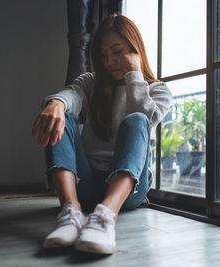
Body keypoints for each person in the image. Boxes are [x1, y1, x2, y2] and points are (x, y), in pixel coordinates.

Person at [31, 14, 172, 254]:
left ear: (134, 49)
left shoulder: (158, 90)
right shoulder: (91, 83)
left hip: (129, 192)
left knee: (137, 120)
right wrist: (57, 103)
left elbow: (145, 121)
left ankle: (106, 217)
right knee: (61, 115)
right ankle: (71, 212)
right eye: (104, 55)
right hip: (87, 186)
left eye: (117, 52)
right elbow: (73, 94)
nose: (110, 62)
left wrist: (135, 76)